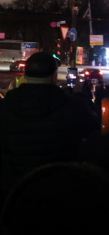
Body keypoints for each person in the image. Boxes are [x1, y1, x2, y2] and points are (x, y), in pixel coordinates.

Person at [0, 51, 100, 199]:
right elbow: (95, 136)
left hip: (12, 190)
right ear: (54, 76)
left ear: (25, 76)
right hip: (59, 188)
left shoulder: (4, 106)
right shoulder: (74, 106)